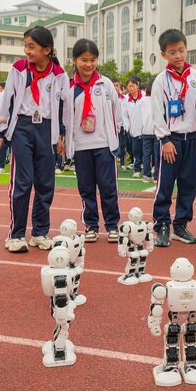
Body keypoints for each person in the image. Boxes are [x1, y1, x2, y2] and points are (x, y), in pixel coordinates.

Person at [0, 26, 68, 253]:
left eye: (32, 47)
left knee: (45, 184)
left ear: (47, 49)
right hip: (23, 128)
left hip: (47, 129)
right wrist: (0, 131)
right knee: (23, 182)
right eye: (25, 46)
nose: (27, 51)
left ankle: (39, 232)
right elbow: (7, 100)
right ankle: (16, 234)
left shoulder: (59, 74)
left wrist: (62, 135)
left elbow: (63, 108)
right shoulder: (18, 69)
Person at [150, 29, 196, 247]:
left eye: (181, 50)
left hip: (192, 138)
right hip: (171, 141)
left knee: (189, 184)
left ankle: (181, 225)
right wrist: (164, 140)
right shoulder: (160, 81)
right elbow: (157, 112)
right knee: (165, 184)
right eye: (172, 52)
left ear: (186, 49)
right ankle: (162, 224)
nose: (178, 55)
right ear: (164, 55)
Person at [64, 39, 122, 243]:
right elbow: (65, 117)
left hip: (104, 145)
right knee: (86, 188)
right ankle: (91, 225)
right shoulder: (69, 87)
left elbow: (117, 112)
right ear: (75, 60)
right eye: (84, 60)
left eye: (93, 60)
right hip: (81, 146)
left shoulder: (105, 84)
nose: (88, 64)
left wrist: (113, 135)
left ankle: (112, 225)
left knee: (108, 187)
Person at [125, 76, 145, 178]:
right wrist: (127, 127)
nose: (131, 88)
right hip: (134, 129)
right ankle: (137, 169)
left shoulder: (144, 96)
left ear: (137, 85)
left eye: (133, 85)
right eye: (129, 86)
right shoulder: (126, 99)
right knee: (136, 151)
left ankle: (149, 169)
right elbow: (124, 115)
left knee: (147, 151)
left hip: (146, 129)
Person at [140, 81, 159, 182]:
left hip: (146, 130)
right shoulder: (158, 98)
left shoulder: (142, 100)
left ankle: (146, 174)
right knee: (157, 154)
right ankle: (157, 175)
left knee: (146, 154)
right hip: (156, 130)